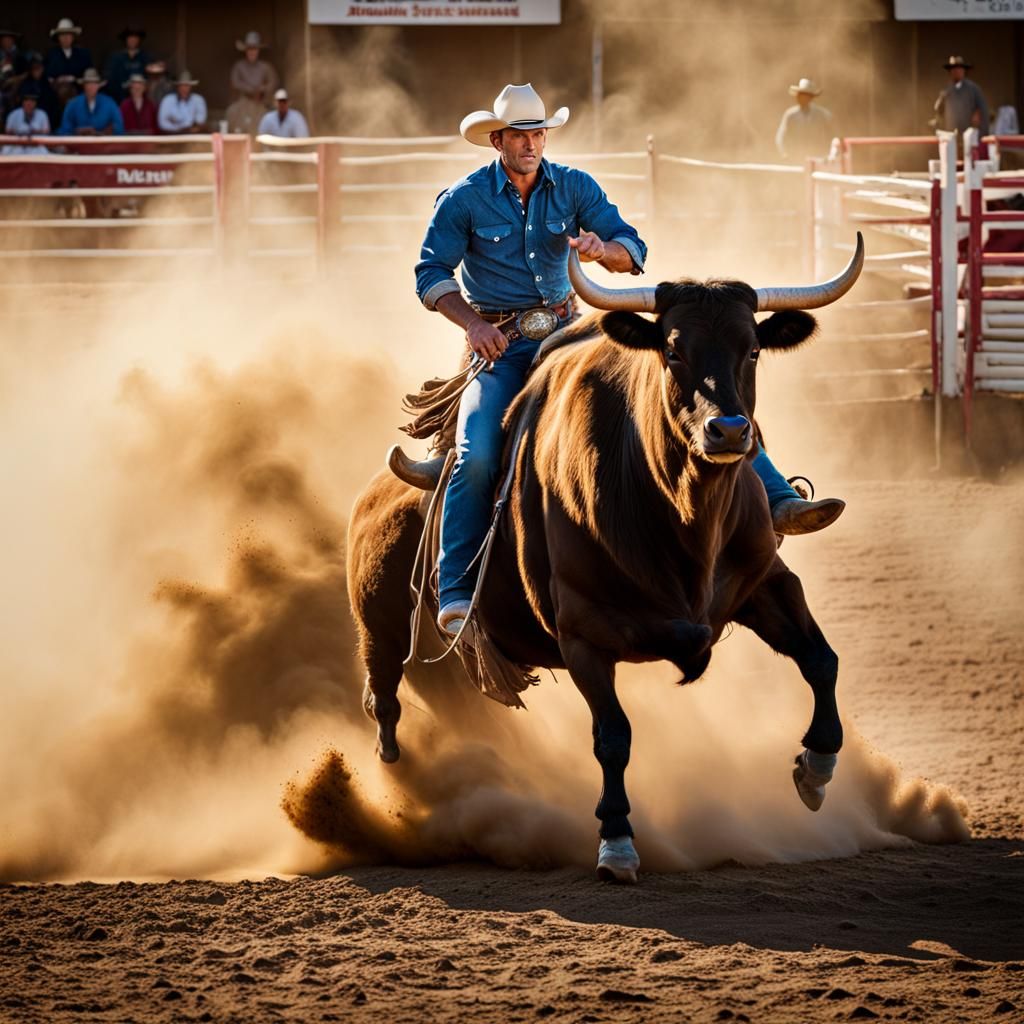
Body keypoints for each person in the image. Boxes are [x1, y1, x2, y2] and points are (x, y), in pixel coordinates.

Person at [416, 84, 843, 636]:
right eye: (519, 135)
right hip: (498, 343)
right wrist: (473, 325)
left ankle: (779, 500)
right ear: (497, 140)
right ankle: (457, 589)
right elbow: (431, 273)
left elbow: (632, 248)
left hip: (570, 334)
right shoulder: (464, 199)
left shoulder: (574, 186)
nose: (531, 144)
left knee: (690, 406)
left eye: (538, 133)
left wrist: (605, 252)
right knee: (476, 455)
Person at [227, 30, 277, 135]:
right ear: (246, 50)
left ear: (258, 50)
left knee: (267, 121)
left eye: (254, 49)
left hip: (260, 102)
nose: (252, 52)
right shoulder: (239, 66)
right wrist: (249, 89)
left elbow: (273, 82)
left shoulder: (265, 67)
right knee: (232, 113)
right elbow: (235, 82)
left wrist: (262, 89)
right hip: (243, 101)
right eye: (249, 49)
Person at [775, 78, 833, 162]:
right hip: (795, 157)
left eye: (804, 95)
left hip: (817, 157)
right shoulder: (790, 115)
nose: (800, 98)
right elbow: (781, 136)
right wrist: (784, 153)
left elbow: (831, 136)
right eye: (799, 95)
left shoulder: (822, 115)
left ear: (810, 97)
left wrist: (828, 154)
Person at [934, 56, 989, 137]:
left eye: (959, 68)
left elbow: (983, 111)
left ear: (964, 70)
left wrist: (981, 133)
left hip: (969, 134)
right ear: (950, 71)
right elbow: (939, 111)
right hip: (951, 134)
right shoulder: (946, 91)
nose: (956, 71)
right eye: (953, 69)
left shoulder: (973, 89)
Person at [57, 67, 123, 135]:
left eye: (94, 83)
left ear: (98, 85)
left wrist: (104, 132)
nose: (91, 87)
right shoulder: (73, 104)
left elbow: (119, 127)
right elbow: (64, 129)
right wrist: (77, 131)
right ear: (83, 85)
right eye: (88, 83)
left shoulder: (110, 103)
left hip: (104, 141)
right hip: (79, 141)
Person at [44, 17, 92, 107]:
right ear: (58, 38)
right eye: (62, 35)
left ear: (73, 37)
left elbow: (89, 75)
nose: (65, 38)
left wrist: (74, 79)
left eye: (68, 34)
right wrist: (58, 80)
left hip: (78, 93)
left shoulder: (83, 54)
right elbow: (47, 76)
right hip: (56, 96)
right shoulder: (51, 54)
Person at [105, 26, 151, 105]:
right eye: (130, 38)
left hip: (140, 99)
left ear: (139, 40)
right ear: (125, 40)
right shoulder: (116, 57)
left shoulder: (145, 57)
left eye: (135, 38)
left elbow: (149, 78)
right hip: (119, 98)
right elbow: (110, 79)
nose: (132, 40)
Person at [13, 52, 60, 126]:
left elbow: (52, 104)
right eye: (35, 68)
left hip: (45, 119)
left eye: (39, 68)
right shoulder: (25, 84)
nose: (37, 71)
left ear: (43, 69)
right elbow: (22, 103)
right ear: (31, 70)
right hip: (26, 119)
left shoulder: (47, 84)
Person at [3, 86, 50, 154]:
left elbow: (46, 132)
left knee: (43, 152)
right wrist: (20, 133)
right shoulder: (14, 114)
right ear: (23, 102)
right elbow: (8, 132)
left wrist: (34, 132)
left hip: (36, 145)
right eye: (26, 100)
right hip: (16, 144)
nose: (29, 103)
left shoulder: (42, 114)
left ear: (36, 102)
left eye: (32, 100)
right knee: (6, 151)